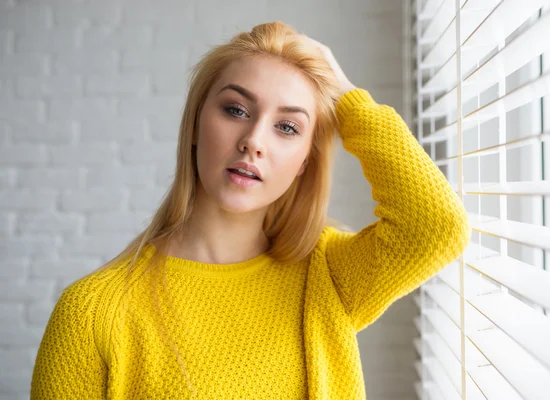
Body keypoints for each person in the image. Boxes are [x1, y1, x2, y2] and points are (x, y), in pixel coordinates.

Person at [30, 21, 471, 399]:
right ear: (197, 125)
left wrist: (349, 99)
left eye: (287, 126)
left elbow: (437, 226)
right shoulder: (91, 313)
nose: (254, 140)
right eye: (236, 109)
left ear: (304, 162)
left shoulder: (327, 276)